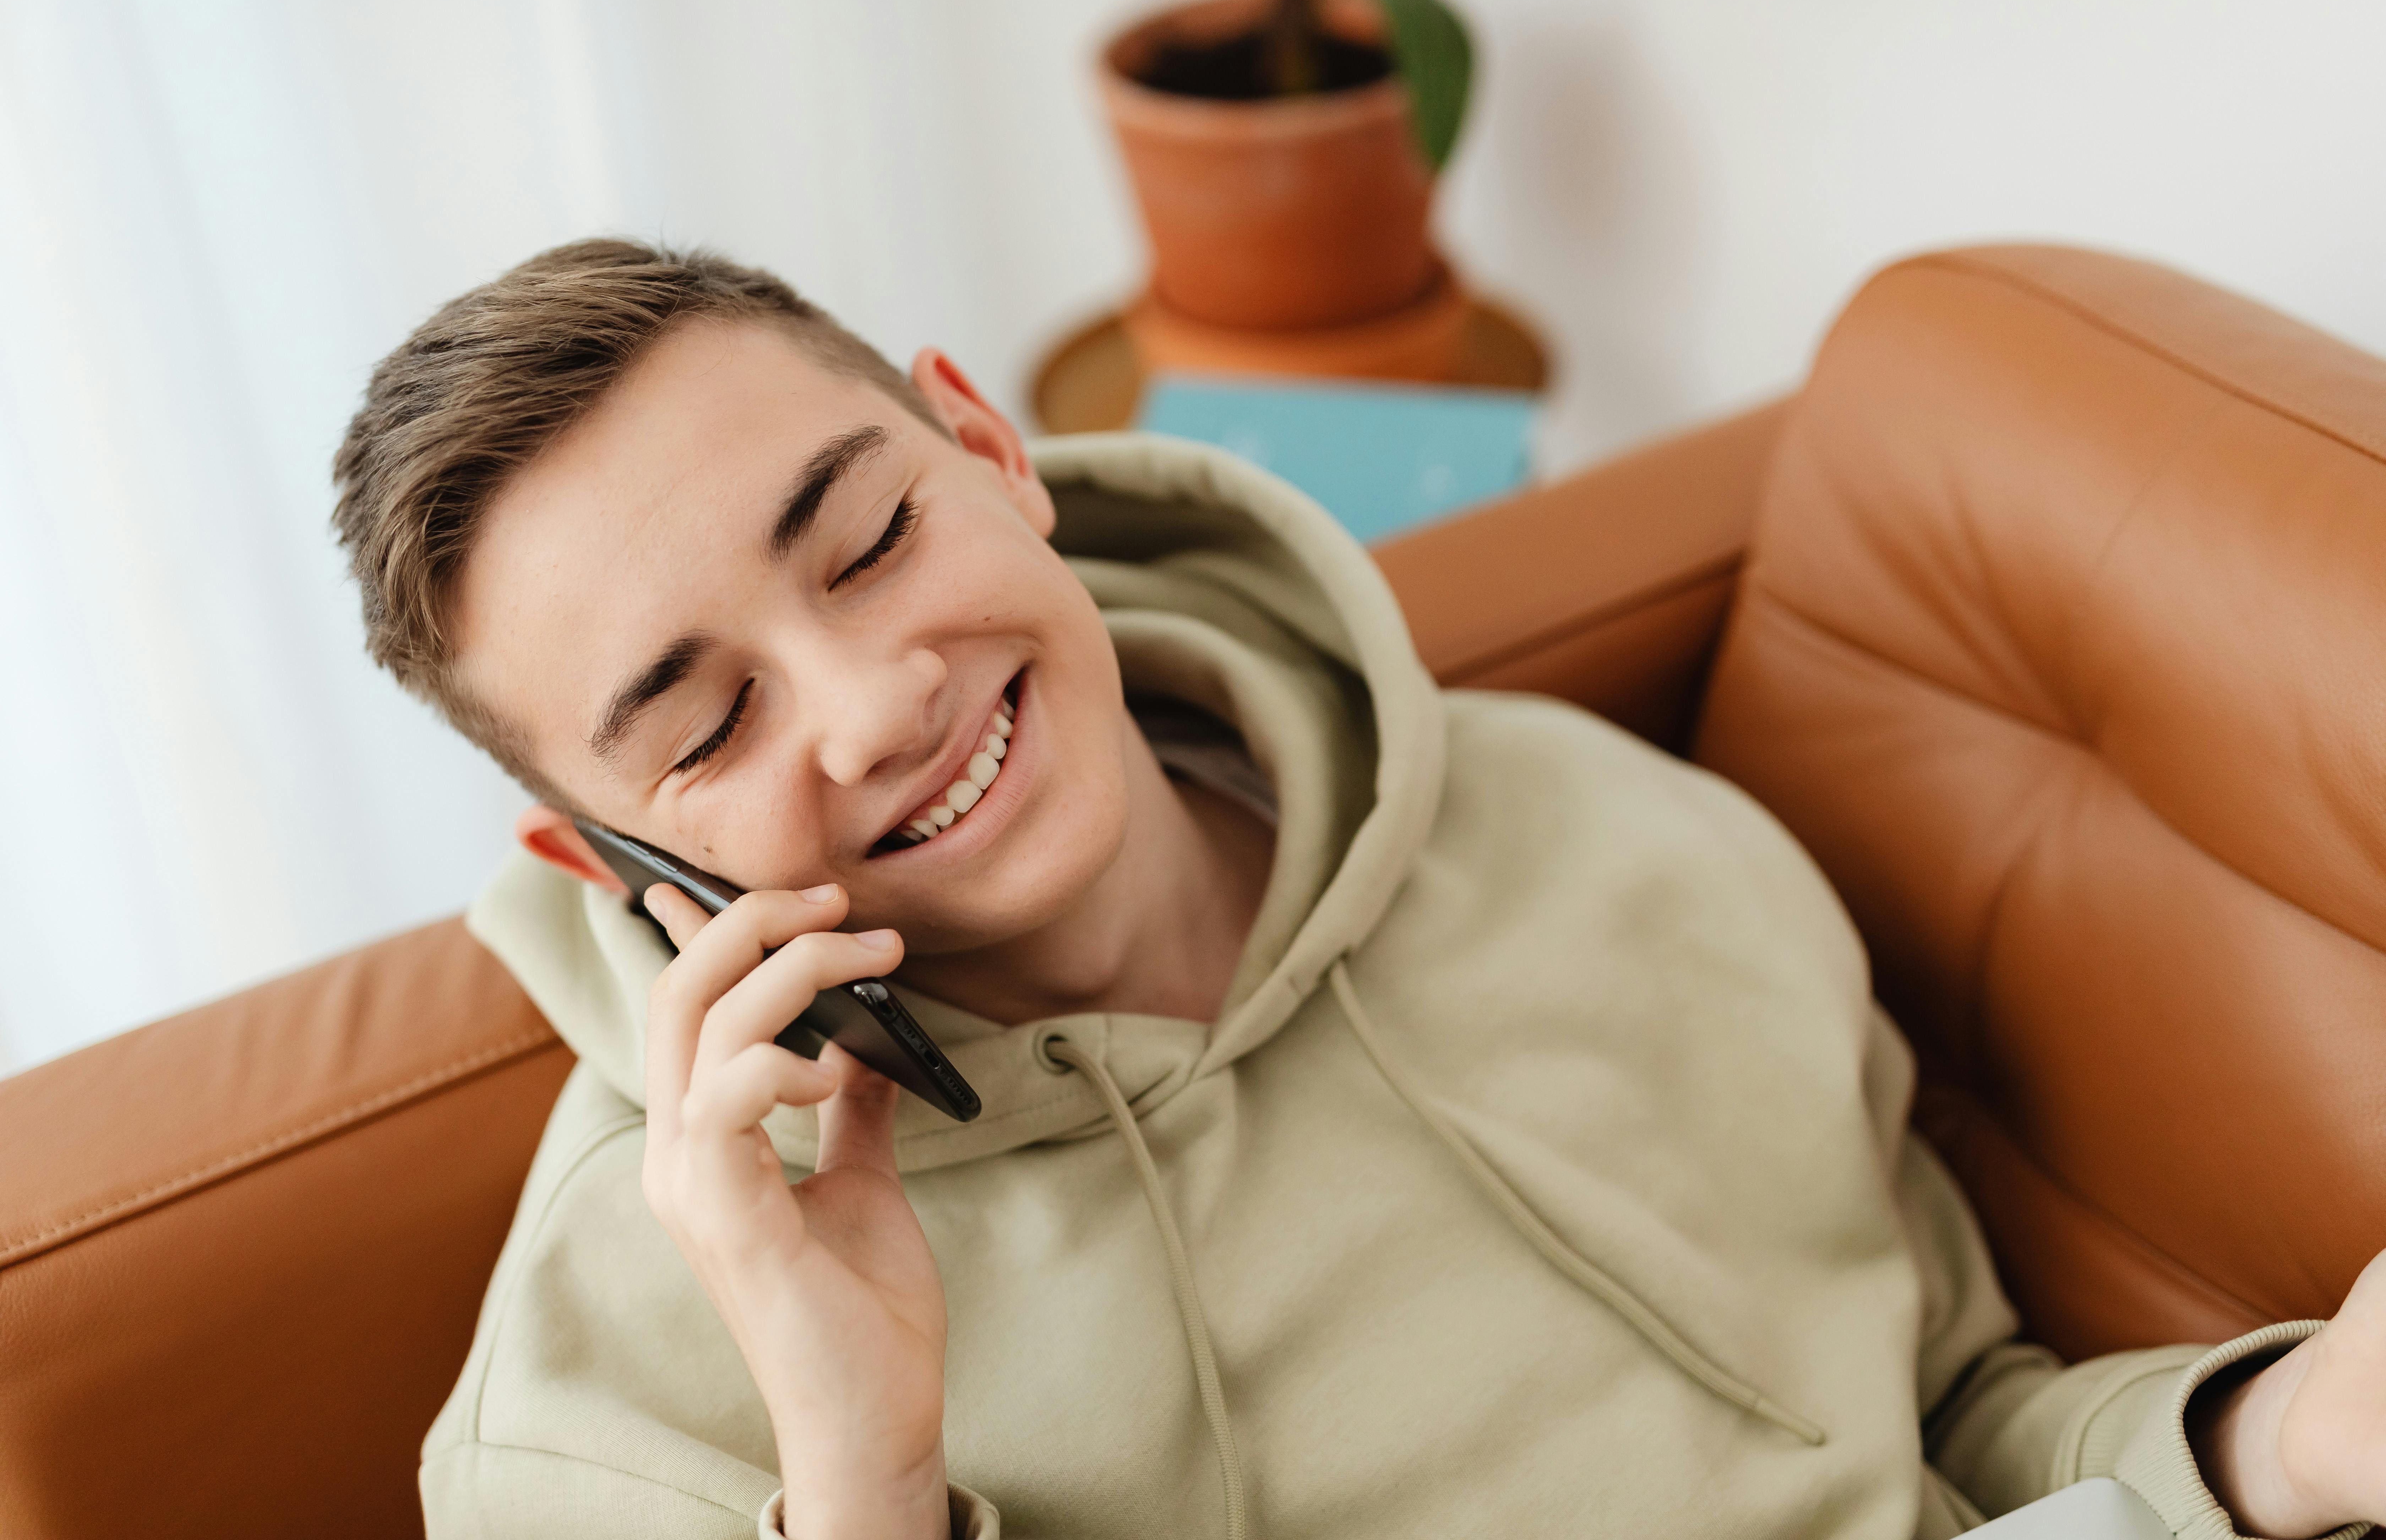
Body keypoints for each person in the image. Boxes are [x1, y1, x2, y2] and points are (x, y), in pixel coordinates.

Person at [331, 240, 2384, 1540]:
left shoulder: (1609, 836)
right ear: (602, 858)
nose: (873, 705)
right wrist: (859, 1478)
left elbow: (1955, 1414)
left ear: (986, 445)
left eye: (866, 540)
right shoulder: (600, 1390)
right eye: (703, 726)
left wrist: (2286, 1442)